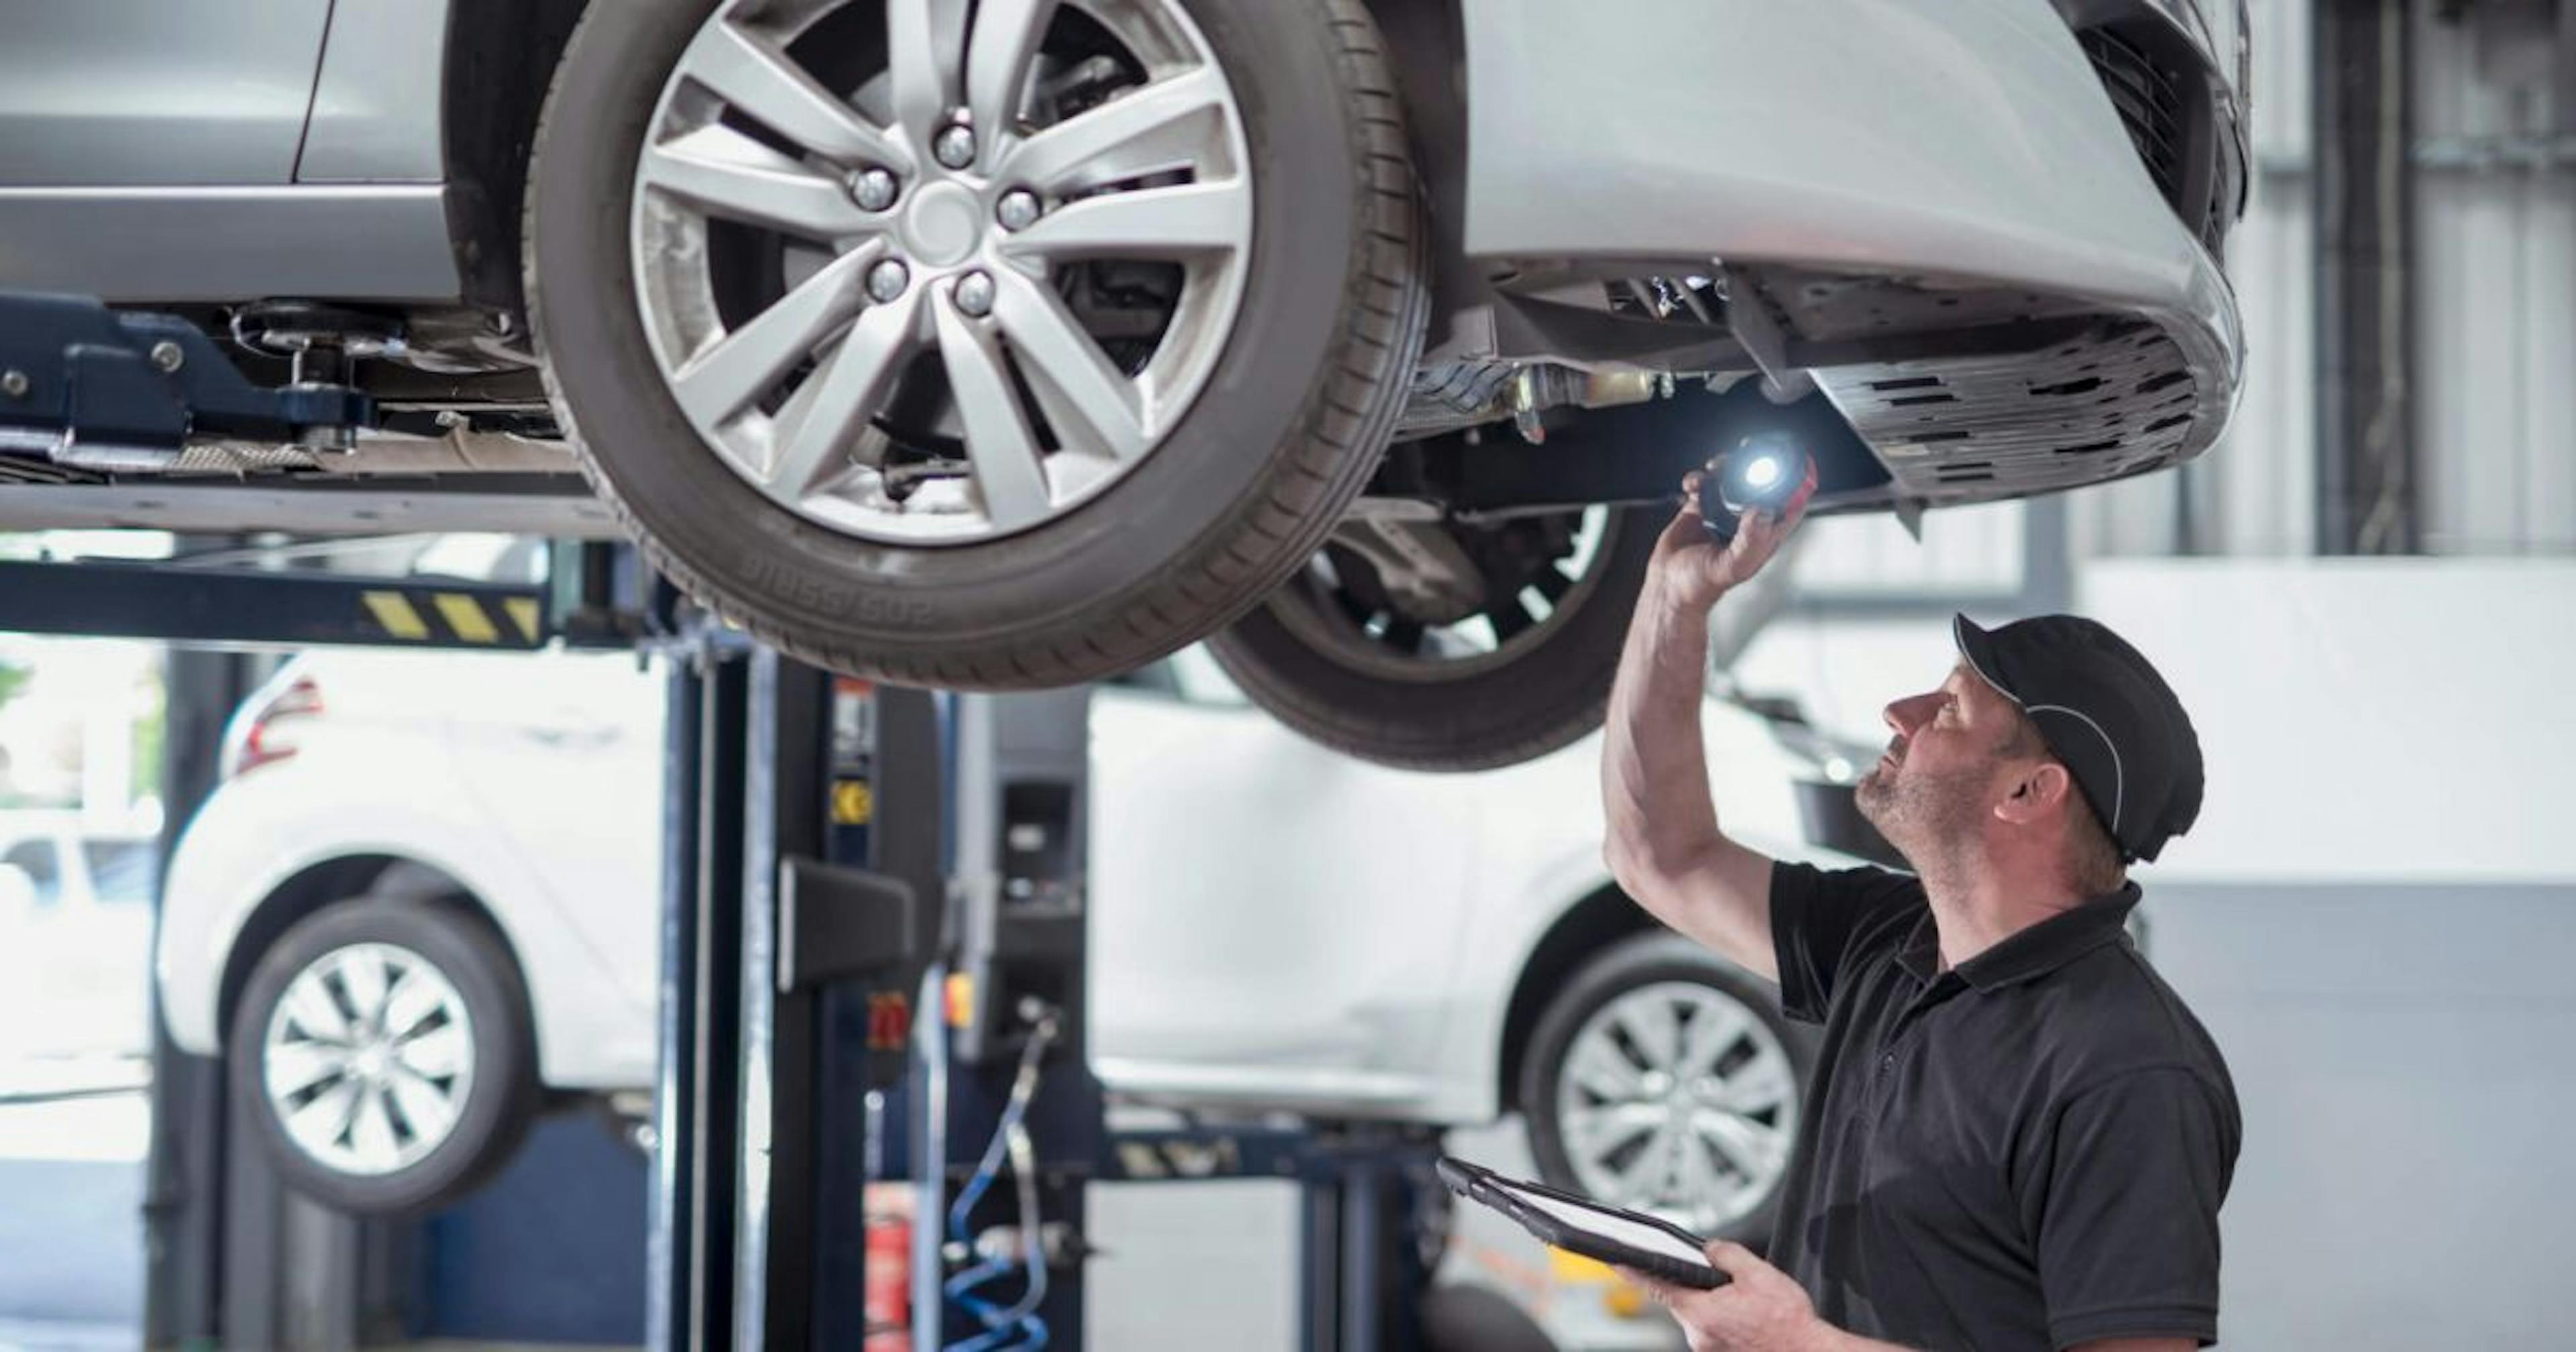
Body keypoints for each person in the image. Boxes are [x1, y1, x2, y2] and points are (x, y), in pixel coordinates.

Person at [1598, 463, 2239, 1352]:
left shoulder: (2124, 1069)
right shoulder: (1887, 941)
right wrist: (1676, 604)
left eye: (1949, 707)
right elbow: (1661, 854)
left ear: (2027, 791)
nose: (1899, 712)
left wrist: (1800, 1346)